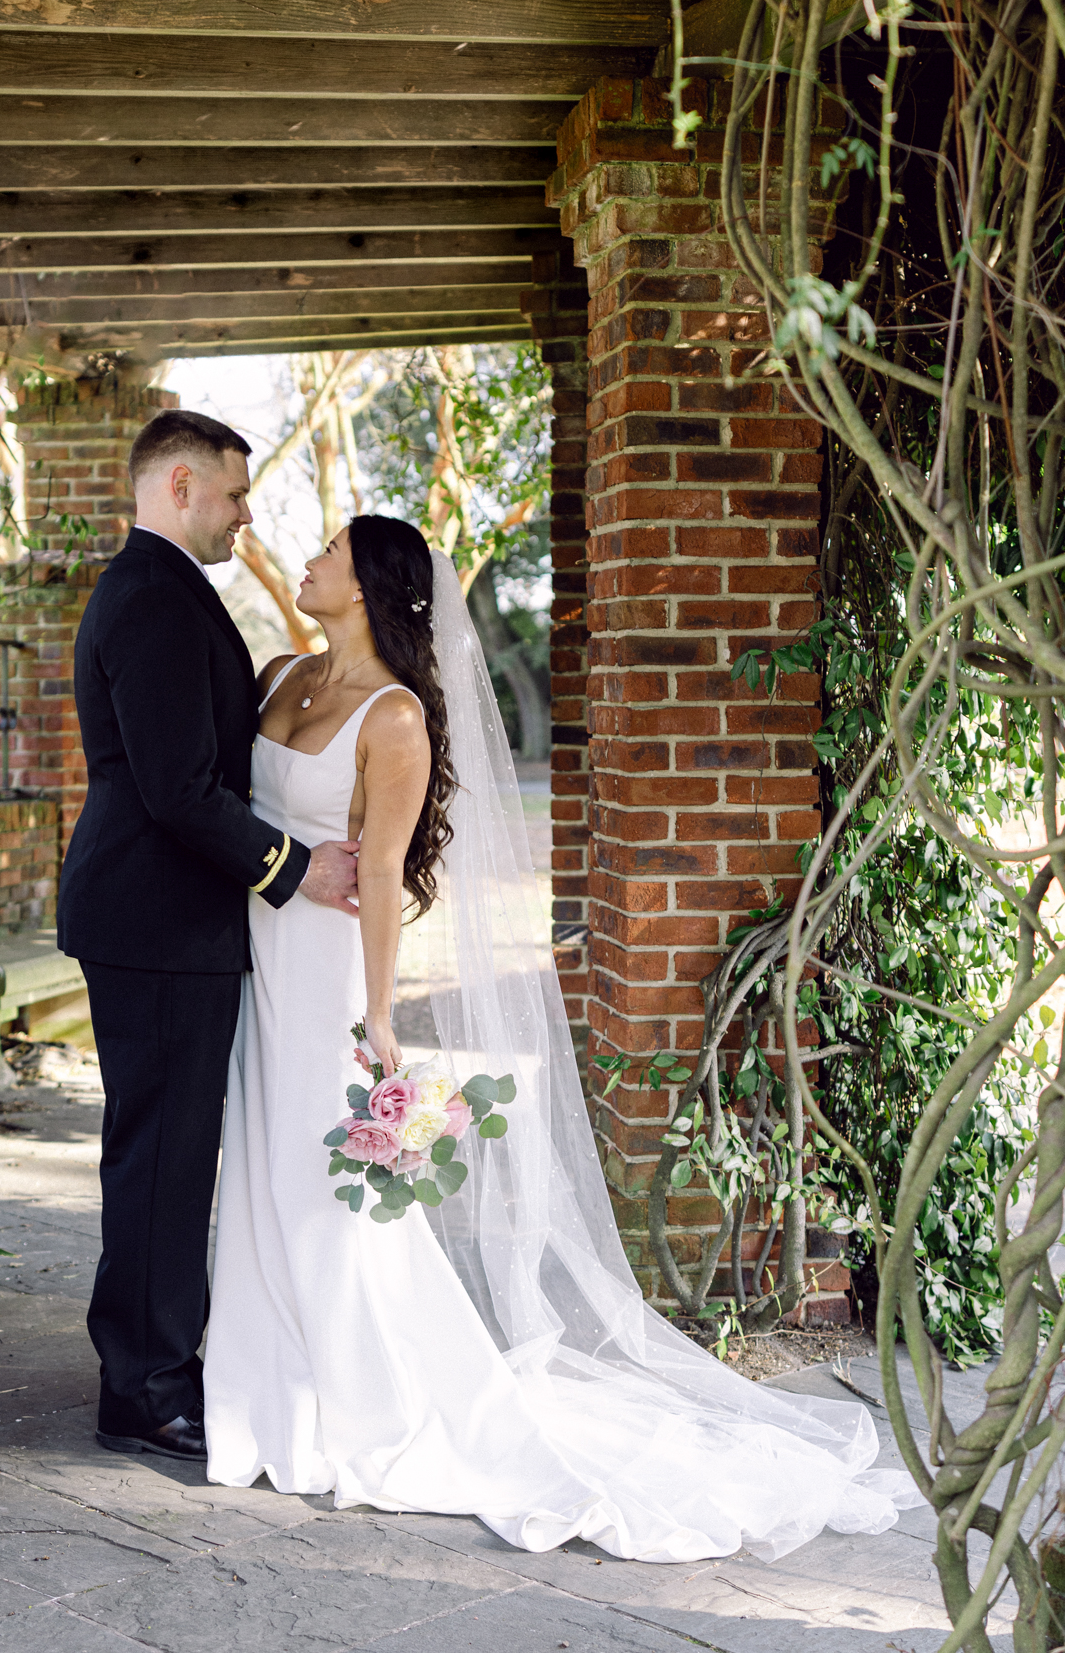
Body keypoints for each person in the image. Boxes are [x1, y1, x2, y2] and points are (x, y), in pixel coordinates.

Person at [202, 512, 925, 1563]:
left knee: (322, 1191)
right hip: (250, 965)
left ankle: (351, 1393)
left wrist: (376, 1019)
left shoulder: (394, 718)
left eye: (327, 554)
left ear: (362, 586)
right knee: (260, 1172)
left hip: (319, 978)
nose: (305, 563)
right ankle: (268, 1382)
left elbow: (383, 879)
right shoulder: (277, 676)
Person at [57, 410, 359, 1463]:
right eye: (234, 494)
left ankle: (154, 1356)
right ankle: (140, 1385)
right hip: (154, 915)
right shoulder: (150, 597)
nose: (245, 513)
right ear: (179, 484)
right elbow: (178, 788)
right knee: (160, 1155)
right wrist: (294, 864)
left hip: (167, 915)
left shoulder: (164, 588)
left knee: (174, 1151)